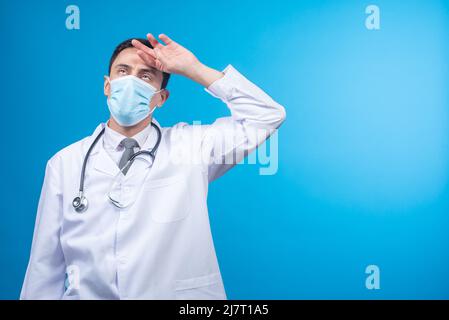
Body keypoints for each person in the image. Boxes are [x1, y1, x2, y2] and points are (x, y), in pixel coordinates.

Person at [20, 33, 286, 299]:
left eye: (145, 76)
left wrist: (195, 69)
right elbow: (45, 267)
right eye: (123, 71)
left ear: (161, 98)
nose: (131, 82)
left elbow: (266, 116)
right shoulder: (64, 163)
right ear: (107, 85)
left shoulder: (193, 146)